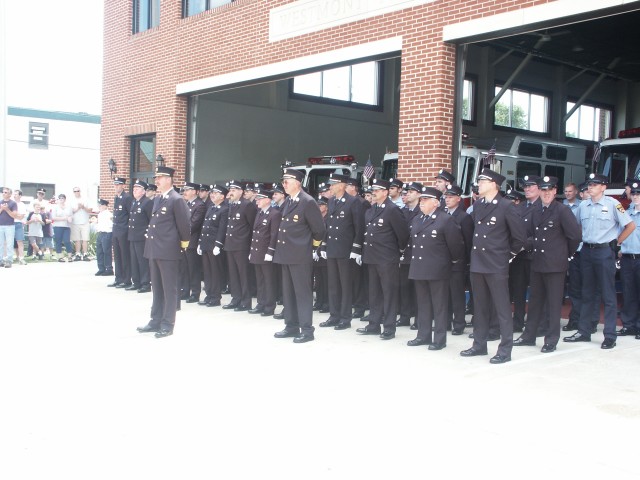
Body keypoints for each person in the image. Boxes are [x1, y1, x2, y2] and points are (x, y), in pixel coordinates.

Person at [460, 168, 525, 364]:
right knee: (479, 307)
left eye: (483, 181)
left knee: (502, 308)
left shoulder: (506, 206)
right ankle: (479, 345)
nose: (479, 184)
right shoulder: (479, 205)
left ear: (494, 184)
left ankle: (505, 349)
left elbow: (519, 238)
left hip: (496, 264)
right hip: (478, 263)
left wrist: (507, 256)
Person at [564, 173, 635, 349]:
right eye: (589, 184)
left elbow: (630, 226)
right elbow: (577, 226)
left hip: (604, 252)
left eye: (595, 184)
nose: (591, 187)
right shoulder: (584, 206)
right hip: (587, 251)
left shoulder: (613, 204)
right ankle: (584, 331)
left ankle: (609, 335)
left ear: (603, 187)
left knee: (608, 294)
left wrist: (617, 243)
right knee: (587, 292)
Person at [513, 176, 581, 353]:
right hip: (537, 263)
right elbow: (530, 236)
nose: (546, 193)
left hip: (555, 265)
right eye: (543, 190)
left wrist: (565, 255)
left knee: (553, 304)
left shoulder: (562, 211)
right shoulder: (536, 211)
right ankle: (529, 336)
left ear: (555, 191)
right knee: (534, 302)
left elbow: (575, 236)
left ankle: (551, 339)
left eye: (549, 190)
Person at [407, 186, 464, 349]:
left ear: (435, 203)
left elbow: (456, 246)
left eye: (425, 200)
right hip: (419, 267)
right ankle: (423, 335)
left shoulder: (445, 219)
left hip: (437, 269)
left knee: (439, 306)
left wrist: (449, 262)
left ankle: (439, 339)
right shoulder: (418, 219)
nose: (421, 203)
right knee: (423, 304)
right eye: (421, 200)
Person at [273, 168, 326, 343]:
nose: (284, 184)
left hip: (300, 255)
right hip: (286, 254)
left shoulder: (307, 202)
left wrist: (310, 247)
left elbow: (319, 230)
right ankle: (291, 326)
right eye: (283, 181)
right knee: (288, 293)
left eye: (287, 181)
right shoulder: (289, 201)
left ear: (298, 182)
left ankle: (307, 330)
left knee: (302, 293)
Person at [137, 166, 190, 338]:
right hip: (154, 249)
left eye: (159, 177)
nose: (157, 181)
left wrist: (182, 246)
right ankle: (155, 320)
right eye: (156, 178)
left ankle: (167, 324)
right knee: (157, 288)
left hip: (168, 251)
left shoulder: (176, 199)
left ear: (169, 179)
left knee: (169, 289)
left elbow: (184, 226)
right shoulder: (159, 199)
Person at [356, 178, 410, 340]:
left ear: (386, 192)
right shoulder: (371, 211)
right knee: (374, 293)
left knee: (389, 293)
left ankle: (389, 327)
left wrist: (398, 251)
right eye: (373, 190)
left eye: (378, 190)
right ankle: (373, 324)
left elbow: (403, 234)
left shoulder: (392, 210)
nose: (374, 193)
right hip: (372, 257)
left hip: (387, 258)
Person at [318, 173, 364, 330]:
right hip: (332, 248)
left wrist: (356, 248)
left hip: (345, 249)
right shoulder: (331, 202)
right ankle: (334, 315)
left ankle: (345, 318)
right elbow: (328, 225)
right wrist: (324, 244)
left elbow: (359, 227)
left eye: (333, 184)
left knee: (345, 285)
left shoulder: (353, 202)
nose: (330, 186)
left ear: (342, 185)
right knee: (333, 285)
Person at [510, 175, 541, 333]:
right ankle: (518, 321)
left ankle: (536, 323)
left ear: (539, 187)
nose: (527, 189)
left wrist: (524, 245)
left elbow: (543, 233)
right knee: (518, 290)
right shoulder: (519, 207)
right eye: (525, 186)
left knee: (537, 292)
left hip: (536, 255)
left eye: (531, 186)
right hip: (519, 256)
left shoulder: (544, 206)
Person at [443, 184, 474, 335]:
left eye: (450, 197)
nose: (447, 200)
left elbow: (468, 242)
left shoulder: (464, 217)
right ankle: (446, 322)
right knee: (444, 295)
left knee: (457, 296)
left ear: (458, 199)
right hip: (443, 263)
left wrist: (467, 263)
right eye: (446, 197)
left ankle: (459, 324)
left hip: (458, 263)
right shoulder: (443, 214)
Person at [223, 180, 257, 311]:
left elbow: (252, 226)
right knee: (233, 274)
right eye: (230, 190)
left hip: (242, 245)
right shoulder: (232, 205)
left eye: (234, 190)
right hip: (230, 244)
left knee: (243, 274)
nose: (231, 192)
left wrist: (250, 246)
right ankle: (236, 298)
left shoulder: (247, 205)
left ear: (241, 192)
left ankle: (245, 301)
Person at [248, 186, 282, 316]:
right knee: (260, 280)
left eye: (260, 199)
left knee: (268, 280)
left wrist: (270, 251)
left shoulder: (274, 214)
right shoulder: (260, 213)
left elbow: (274, 235)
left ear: (267, 200)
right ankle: (261, 303)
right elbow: (255, 233)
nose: (257, 201)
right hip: (257, 251)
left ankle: (269, 306)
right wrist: (252, 250)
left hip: (266, 252)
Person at [197, 184, 229, 307]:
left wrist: (218, 244)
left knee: (215, 272)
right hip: (205, 243)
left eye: (215, 193)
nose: (212, 195)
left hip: (214, 245)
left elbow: (222, 229)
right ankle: (209, 294)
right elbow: (204, 227)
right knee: (207, 272)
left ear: (222, 196)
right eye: (212, 193)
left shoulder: (224, 209)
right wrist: (200, 242)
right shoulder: (211, 207)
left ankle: (215, 297)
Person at [397, 181, 422, 328]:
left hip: (418, 254)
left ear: (419, 194)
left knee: (418, 289)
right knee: (404, 286)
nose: (407, 194)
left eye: (411, 191)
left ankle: (419, 319)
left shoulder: (422, 211)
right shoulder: (403, 211)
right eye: (406, 192)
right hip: (404, 254)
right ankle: (405, 316)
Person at [618, 182, 640, 338]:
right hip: (627, 257)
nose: (636, 197)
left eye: (638, 194)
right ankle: (629, 325)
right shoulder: (626, 212)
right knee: (629, 292)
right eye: (634, 194)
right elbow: (620, 233)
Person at [180, 182, 206, 302]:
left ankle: (195, 293)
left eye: (188, 189)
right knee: (184, 268)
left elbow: (194, 224)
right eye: (184, 189)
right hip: (184, 241)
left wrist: (180, 229)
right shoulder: (186, 204)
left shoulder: (200, 205)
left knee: (193, 269)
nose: (185, 192)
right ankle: (185, 291)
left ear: (195, 191)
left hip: (193, 241)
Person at [127, 180, 153, 292]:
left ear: (143, 191)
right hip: (133, 236)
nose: (134, 190)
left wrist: (147, 233)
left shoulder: (147, 202)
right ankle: (136, 282)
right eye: (134, 188)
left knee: (142, 261)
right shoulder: (134, 202)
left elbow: (151, 220)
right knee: (134, 260)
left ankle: (145, 283)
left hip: (142, 237)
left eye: (137, 188)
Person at [110, 177, 132, 288]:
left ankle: (126, 279)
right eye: (115, 185)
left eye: (118, 185)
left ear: (123, 186)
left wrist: (127, 228)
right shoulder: (117, 198)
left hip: (124, 231)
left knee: (125, 256)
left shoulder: (127, 198)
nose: (116, 187)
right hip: (116, 230)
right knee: (117, 256)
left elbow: (130, 215)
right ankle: (118, 278)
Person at [69, 187, 92, 261]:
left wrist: (83, 207)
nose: (76, 192)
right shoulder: (71, 201)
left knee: (85, 239)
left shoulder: (86, 199)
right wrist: (78, 208)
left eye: (78, 191)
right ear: (73, 192)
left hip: (85, 222)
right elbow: (70, 211)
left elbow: (90, 210)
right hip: (75, 222)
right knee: (77, 239)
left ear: (80, 191)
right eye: (75, 191)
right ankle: (78, 254)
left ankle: (85, 254)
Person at [51, 194, 75, 263]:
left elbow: (71, 216)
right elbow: (53, 218)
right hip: (58, 226)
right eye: (60, 198)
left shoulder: (69, 207)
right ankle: (60, 256)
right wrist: (64, 218)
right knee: (58, 241)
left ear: (65, 199)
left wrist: (70, 218)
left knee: (67, 241)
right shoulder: (55, 207)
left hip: (66, 226)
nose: (61, 199)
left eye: (63, 198)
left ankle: (69, 256)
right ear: (58, 199)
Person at [95, 199, 114, 276]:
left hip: (107, 233)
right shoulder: (100, 214)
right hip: (100, 233)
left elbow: (111, 225)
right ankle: (101, 268)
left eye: (101, 205)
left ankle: (109, 269)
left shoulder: (109, 215)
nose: (100, 207)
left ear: (105, 206)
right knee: (99, 252)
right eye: (99, 205)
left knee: (106, 252)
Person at [0, 187, 18, 267]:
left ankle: (9, 260)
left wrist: (7, 209)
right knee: (0, 244)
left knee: (9, 244)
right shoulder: (0, 202)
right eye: (3, 192)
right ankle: (1, 260)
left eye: (6, 192)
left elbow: (14, 215)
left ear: (10, 194)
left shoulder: (13, 203)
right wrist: (1, 209)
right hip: (0, 226)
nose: (4, 193)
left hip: (10, 226)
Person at [12, 190, 27, 265]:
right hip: (10, 223)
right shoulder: (11, 203)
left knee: (20, 241)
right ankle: (7, 258)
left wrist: (14, 214)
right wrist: (16, 215)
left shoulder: (22, 205)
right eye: (14, 194)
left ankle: (21, 258)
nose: (14, 195)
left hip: (18, 224)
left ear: (20, 196)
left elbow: (21, 216)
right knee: (7, 242)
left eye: (16, 194)